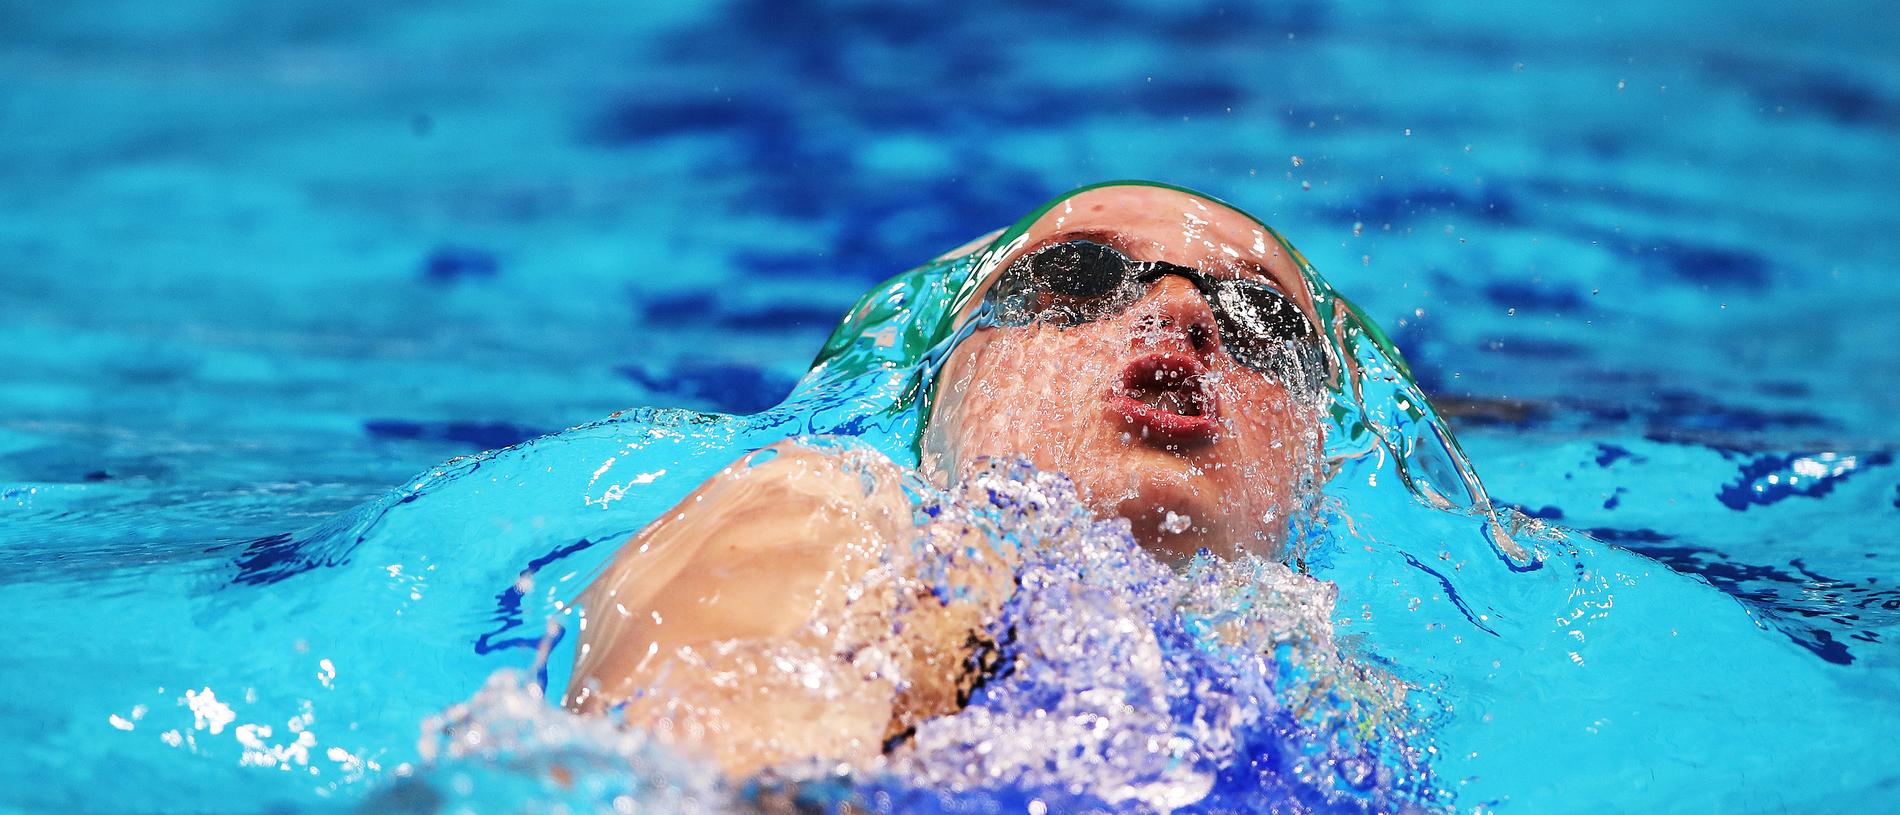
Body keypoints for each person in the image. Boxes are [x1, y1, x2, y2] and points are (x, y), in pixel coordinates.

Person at [562, 182, 1335, 776]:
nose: (1181, 310)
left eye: (1263, 318)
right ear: (943, 395)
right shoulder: (825, 510)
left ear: (1314, 472)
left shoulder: (1350, 695)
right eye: (1077, 274)